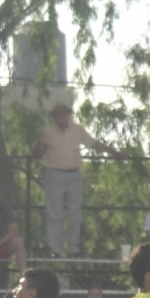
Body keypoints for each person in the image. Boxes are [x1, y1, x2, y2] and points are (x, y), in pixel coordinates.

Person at [35, 101, 118, 257]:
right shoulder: (47, 131)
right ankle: (55, 250)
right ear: (54, 117)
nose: (62, 117)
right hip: (54, 174)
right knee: (54, 213)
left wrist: (113, 152)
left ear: (68, 115)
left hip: (74, 174)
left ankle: (73, 249)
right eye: (58, 115)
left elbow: (93, 144)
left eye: (64, 114)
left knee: (75, 213)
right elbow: (38, 154)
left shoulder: (77, 130)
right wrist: (40, 144)